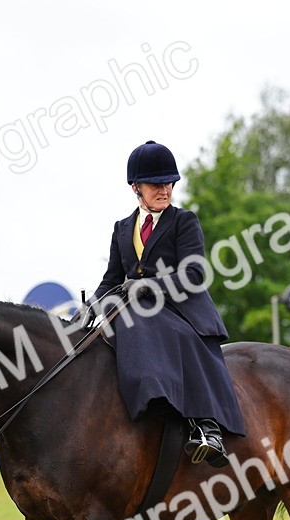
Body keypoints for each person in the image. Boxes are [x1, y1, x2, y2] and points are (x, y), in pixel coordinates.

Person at [91, 140, 245, 466]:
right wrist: (91, 305)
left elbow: (193, 274)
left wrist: (146, 286)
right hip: (137, 308)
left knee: (148, 324)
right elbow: (112, 279)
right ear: (136, 187)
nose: (165, 189)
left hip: (182, 308)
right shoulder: (122, 229)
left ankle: (208, 426)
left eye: (169, 182)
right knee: (107, 330)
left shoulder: (184, 221)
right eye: (155, 184)